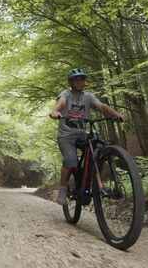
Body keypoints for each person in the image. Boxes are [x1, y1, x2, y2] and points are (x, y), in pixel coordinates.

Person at [49, 68, 124, 205]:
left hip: (82, 134)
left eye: (82, 79)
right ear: (71, 82)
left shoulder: (88, 96)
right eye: (76, 79)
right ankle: (63, 190)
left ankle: (96, 184)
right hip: (66, 136)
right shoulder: (66, 94)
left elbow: (102, 106)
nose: (80, 82)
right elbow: (60, 104)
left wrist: (115, 114)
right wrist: (55, 112)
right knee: (71, 161)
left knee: (99, 147)